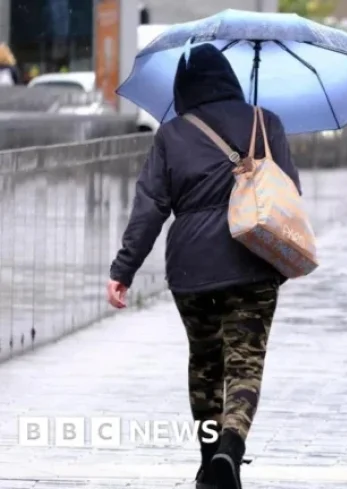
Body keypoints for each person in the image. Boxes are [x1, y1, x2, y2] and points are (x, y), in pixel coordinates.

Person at [105, 44, 300, 489]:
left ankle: (209, 458)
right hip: (253, 260)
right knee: (245, 363)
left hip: (191, 268)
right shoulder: (264, 122)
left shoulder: (171, 134)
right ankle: (231, 448)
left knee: (206, 363)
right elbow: (291, 195)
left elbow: (150, 208)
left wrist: (123, 270)